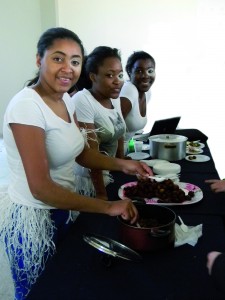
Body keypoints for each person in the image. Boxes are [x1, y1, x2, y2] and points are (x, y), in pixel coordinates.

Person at [0, 27, 153, 299]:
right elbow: (41, 189)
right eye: (58, 58)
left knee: (64, 282)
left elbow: (81, 153)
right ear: (39, 60)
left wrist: (124, 165)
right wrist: (107, 207)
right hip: (33, 215)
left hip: (62, 207)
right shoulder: (26, 106)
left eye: (75, 61)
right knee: (36, 291)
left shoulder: (66, 101)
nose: (67, 68)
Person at [71, 46, 126, 199]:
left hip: (108, 175)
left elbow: (119, 132)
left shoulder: (114, 98)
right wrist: (101, 195)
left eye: (120, 75)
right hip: (87, 183)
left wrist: (122, 164)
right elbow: (91, 154)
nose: (117, 81)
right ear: (93, 77)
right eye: (110, 75)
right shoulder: (83, 100)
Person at [119, 51, 156, 141]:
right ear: (129, 71)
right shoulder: (129, 90)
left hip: (132, 148)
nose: (145, 76)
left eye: (150, 71)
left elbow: (134, 133)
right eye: (139, 71)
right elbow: (116, 129)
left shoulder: (147, 93)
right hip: (118, 152)